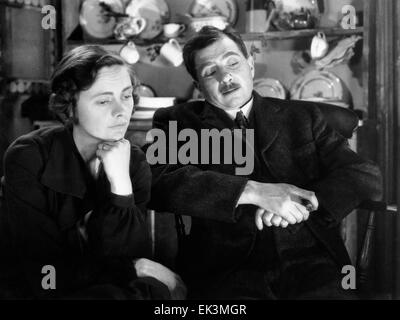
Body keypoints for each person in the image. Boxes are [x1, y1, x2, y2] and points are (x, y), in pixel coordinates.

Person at [147, 26, 382, 299]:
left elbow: (364, 174)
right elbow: (154, 178)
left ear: (250, 65)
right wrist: (253, 192)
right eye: (211, 71)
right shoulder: (177, 122)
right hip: (225, 271)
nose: (226, 77)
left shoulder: (303, 117)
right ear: (199, 86)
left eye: (233, 62)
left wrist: (306, 201)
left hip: (313, 264)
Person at [1, 45, 186, 299]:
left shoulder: (133, 162)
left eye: (127, 95)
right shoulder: (28, 157)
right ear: (71, 106)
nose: (121, 111)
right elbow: (45, 274)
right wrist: (135, 268)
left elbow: (126, 253)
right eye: (103, 100)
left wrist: (120, 183)